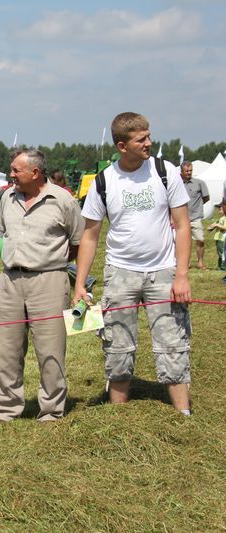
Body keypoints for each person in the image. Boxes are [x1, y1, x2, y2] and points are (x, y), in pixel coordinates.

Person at [73, 112, 193, 415]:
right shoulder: (103, 181)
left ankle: (183, 412)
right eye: (142, 139)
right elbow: (90, 236)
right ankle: (119, 416)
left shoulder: (165, 172)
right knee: (117, 343)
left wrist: (181, 275)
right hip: (120, 274)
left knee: (173, 342)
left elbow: (182, 224)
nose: (149, 143)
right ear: (121, 145)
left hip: (164, 271)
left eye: (149, 136)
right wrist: (79, 284)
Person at [0, 150, 83, 422]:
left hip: (49, 281)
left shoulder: (63, 200)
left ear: (35, 173)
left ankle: (51, 410)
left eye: (15, 170)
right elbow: (2, 234)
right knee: (6, 350)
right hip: (10, 280)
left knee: (50, 349)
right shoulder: (7, 197)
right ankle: (7, 408)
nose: (11, 175)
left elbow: (77, 242)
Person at [181, 161, 210, 270]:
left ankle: (200, 262)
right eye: (186, 171)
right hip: (182, 219)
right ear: (182, 171)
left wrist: (196, 207)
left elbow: (206, 198)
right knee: (184, 242)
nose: (189, 173)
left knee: (200, 240)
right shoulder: (177, 183)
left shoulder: (199, 183)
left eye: (190, 170)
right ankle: (185, 263)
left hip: (196, 218)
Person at [208, 202, 226, 270]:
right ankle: (220, 267)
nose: (219, 210)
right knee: (220, 253)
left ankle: (223, 267)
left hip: (222, 239)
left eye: (220, 208)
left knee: (222, 254)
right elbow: (215, 224)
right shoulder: (221, 218)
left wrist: (216, 225)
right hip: (219, 239)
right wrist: (211, 227)